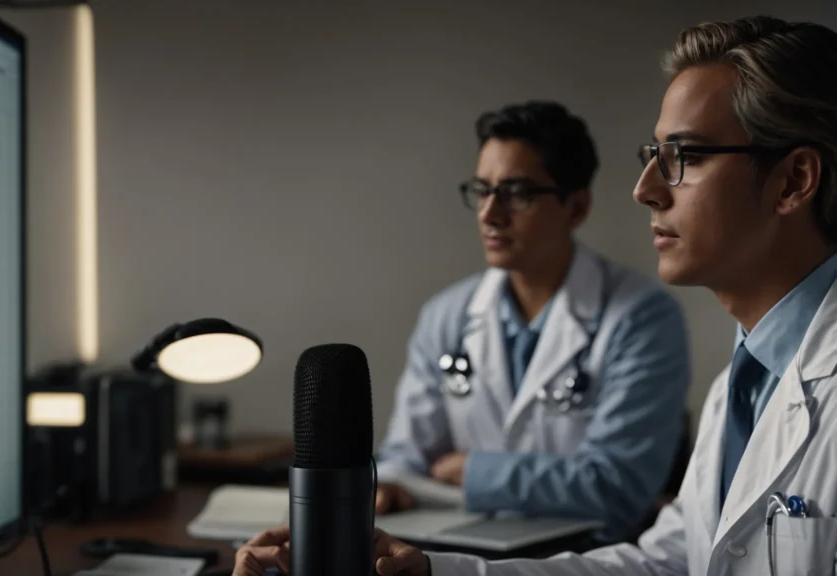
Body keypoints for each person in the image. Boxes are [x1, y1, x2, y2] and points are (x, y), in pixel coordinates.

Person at [231, 14, 837, 576]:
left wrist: (473, 471)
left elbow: (615, 491)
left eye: (686, 156)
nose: (646, 189)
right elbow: (669, 562)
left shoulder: (651, 321)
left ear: (793, 181)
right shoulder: (748, 378)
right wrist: (433, 571)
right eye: (653, 156)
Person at [372, 100, 691, 543]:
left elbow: (618, 486)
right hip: (457, 546)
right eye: (482, 190)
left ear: (576, 207)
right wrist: (387, 483)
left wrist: (475, 471)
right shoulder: (446, 315)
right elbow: (406, 457)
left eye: (517, 193)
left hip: (583, 560)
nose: (489, 214)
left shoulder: (641, 318)